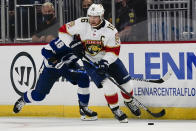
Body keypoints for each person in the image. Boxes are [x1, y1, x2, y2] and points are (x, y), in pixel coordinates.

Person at [58, 3, 141, 123]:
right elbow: (62, 31)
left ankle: (129, 102)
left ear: (101, 16)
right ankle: (115, 109)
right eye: (90, 16)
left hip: (110, 60)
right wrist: (72, 44)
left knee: (127, 85)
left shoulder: (111, 30)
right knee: (109, 85)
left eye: (95, 17)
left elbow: (114, 51)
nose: (92, 19)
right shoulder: (81, 23)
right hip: (90, 61)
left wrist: (105, 62)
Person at [13, 37, 98, 121]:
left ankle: (83, 108)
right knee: (39, 96)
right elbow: (45, 50)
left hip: (67, 66)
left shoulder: (89, 43)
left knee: (84, 78)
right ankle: (24, 99)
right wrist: (55, 62)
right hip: (50, 69)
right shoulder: (65, 40)